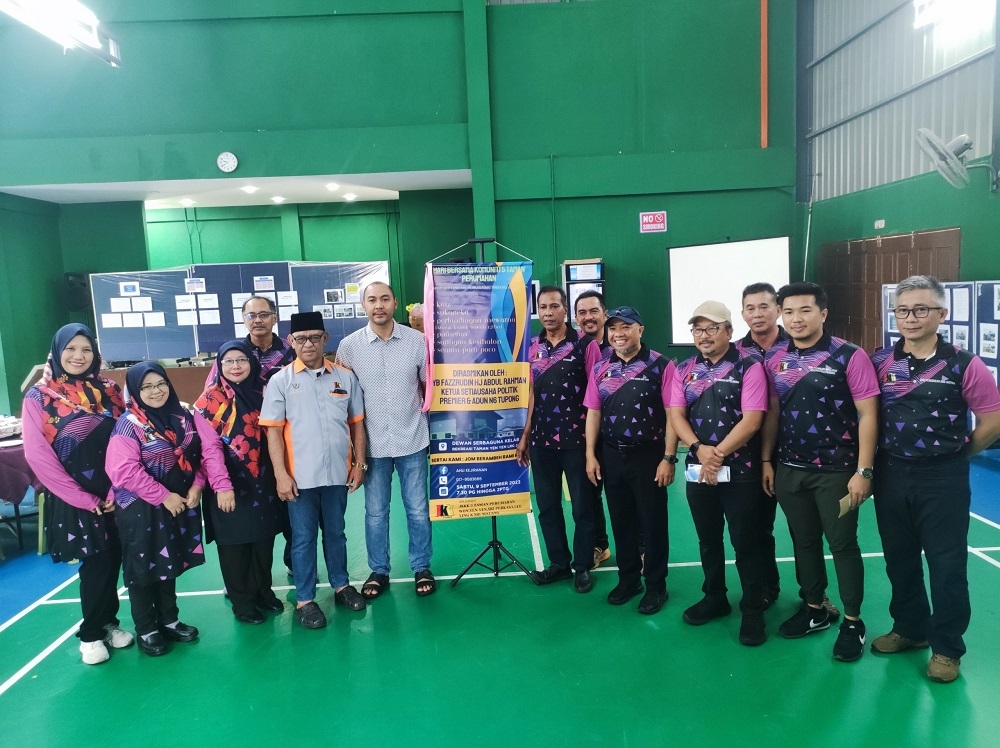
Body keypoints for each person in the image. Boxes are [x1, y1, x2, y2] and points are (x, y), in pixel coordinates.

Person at [869, 275, 1000, 683]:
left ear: (941, 314)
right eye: (903, 310)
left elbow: (993, 420)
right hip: (890, 473)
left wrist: (961, 452)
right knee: (899, 558)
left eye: (921, 309)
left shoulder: (964, 363)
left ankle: (946, 648)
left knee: (946, 565)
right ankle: (909, 628)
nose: (911, 317)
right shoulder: (880, 362)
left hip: (942, 478)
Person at [761, 282, 879, 663]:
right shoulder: (775, 358)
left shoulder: (849, 356)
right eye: (789, 312)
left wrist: (864, 469)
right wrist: (767, 461)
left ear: (823, 314)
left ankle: (852, 621)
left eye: (805, 311)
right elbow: (774, 413)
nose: (796, 319)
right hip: (790, 469)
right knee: (804, 541)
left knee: (843, 545)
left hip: (837, 471)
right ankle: (814, 609)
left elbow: (868, 414)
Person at [22, 324, 133, 665]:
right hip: (76, 496)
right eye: (70, 349)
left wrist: (116, 487)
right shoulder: (39, 396)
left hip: (116, 491)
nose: (78, 356)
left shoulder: (110, 390)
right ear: (57, 352)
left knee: (115, 557)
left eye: (85, 349)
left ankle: (109, 622)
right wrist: (85, 499)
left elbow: (126, 439)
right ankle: (90, 633)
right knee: (96, 563)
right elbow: (37, 456)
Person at [107, 362, 234, 657]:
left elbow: (207, 450)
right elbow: (122, 471)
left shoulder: (185, 416)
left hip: (176, 504)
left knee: (167, 563)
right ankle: (147, 628)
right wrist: (164, 496)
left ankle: (169, 620)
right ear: (135, 392)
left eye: (160, 383)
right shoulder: (128, 424)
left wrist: (198, 485)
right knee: (142, 567)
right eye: (147, 387)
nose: (156, 391)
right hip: (140, 508)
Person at [735, 283, 840, 619]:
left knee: (805, 532)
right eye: (750, 308)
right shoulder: (736, 353)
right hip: (753, 457)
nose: (757, 314)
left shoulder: (797, 344)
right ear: (742, 314)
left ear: (777, 310)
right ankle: (767, 587)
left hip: (804, 456)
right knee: (758, 526)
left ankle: (815, 595)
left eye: (764, 306)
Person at [260, 311, 368, 629]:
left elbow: (357, 425)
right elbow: (273, 432)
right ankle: (305, 599)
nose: (308, 344)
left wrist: (359, 464)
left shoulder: (345, 378)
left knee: (336, 534)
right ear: (291, 342)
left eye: (315, 337)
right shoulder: (280, 381)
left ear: (325, 340)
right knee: (304, 538)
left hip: (337, 474)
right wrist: (281, 474)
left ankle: (341, 585)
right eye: (301, 338)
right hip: (299, 480)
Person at [669, 301, 767, 646]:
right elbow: (677, 415)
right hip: (699, 467)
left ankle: (753, 609)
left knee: (745, 542)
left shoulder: (749, 366)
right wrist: (699, 450)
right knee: (708, 540)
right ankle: (715, 597)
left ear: (729, 331)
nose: (704, 335)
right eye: (697, 329)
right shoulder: (684, 369)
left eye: (712, 328)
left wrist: (719, 453)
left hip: (740, 471)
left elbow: (753, 420)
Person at [336, 282, 435, 599]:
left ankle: (422, 566)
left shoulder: (418, 342)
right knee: (375, 512)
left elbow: (429, 390)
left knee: (418, 510)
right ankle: (379, 570)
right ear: (363, 306)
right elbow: (345, 402)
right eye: (372, 300)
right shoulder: (349, 347)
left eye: (385, 299)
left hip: (413, 439)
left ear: (395, 303)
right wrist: (354, 453)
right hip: (373, 446)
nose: (379, 305)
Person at [584, 306, 678, 615]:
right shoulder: (600, 368)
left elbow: (673, 414)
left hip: (648, 455)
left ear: (641, 329)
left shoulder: (661, 366)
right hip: (612, 455)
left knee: (652, 524)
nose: (618, 333)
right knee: (621, 520)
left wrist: (668, 458)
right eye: (613, 328)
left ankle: (655, 585)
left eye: (626, 326)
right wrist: (591, 455)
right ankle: (628, 579)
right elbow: (594, 412)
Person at [516, 286, 601, 592]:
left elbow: (595, 396)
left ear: (566, 311)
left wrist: (593, 446)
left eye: (555, 306)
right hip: (541, 442)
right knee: (548, 507)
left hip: (576, 442)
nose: (549, 312)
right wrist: (525, 435)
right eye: (543, 307)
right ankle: (559, 564)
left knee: (582, 507)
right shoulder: (532, 347)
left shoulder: (585, 345)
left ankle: (582, 566)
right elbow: (530, 394)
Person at [194, 341, 284, 625]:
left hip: (263, 478)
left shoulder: (264, 392)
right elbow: (209, 449)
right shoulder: (209, 400)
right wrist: (222, 486)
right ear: (219, 366)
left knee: (262, 539)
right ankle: (242, 602)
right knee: (235, 545)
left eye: (241, 360)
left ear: (252, 362)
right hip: (229, 482)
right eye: (228, 361)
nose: (235, 366)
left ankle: (263, 592)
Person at [208, 295, 297, 575]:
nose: (257, 320)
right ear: (244, 319)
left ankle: (296, 563)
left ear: (274, 317)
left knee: (292, 509)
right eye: (251, 315)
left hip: (285, 439)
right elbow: (214, 396)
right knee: (253, 515)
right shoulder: (232, 353)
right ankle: (242, 577)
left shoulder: (289, 351)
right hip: (242, 448)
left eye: (263, 314)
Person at [574, 289, 613, 569]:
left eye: (594, 311)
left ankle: (641, 548)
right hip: (586, 436)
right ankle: (600, 545)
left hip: (619, 437)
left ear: (604, 314)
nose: (588, 317)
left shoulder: (622, 345)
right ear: (576, 318)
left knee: (627, 494)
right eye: (583, 313)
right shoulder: (574, 349)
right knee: (590, 493)